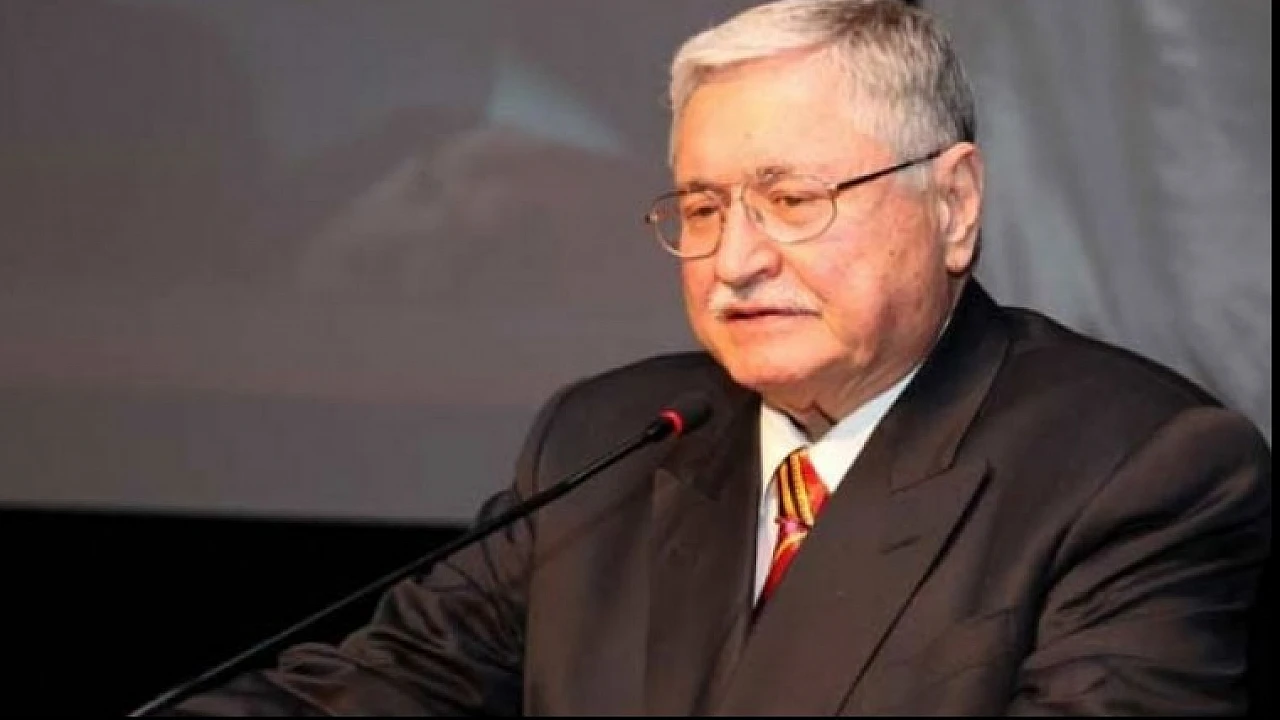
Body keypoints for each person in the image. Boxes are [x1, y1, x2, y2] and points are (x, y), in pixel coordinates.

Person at [166, 0, 1270, 715]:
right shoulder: (606, 438)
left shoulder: (1144, 469)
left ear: (954, 203)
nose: (734, 260)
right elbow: (382, 687)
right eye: (701, 207)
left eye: (790, 200)